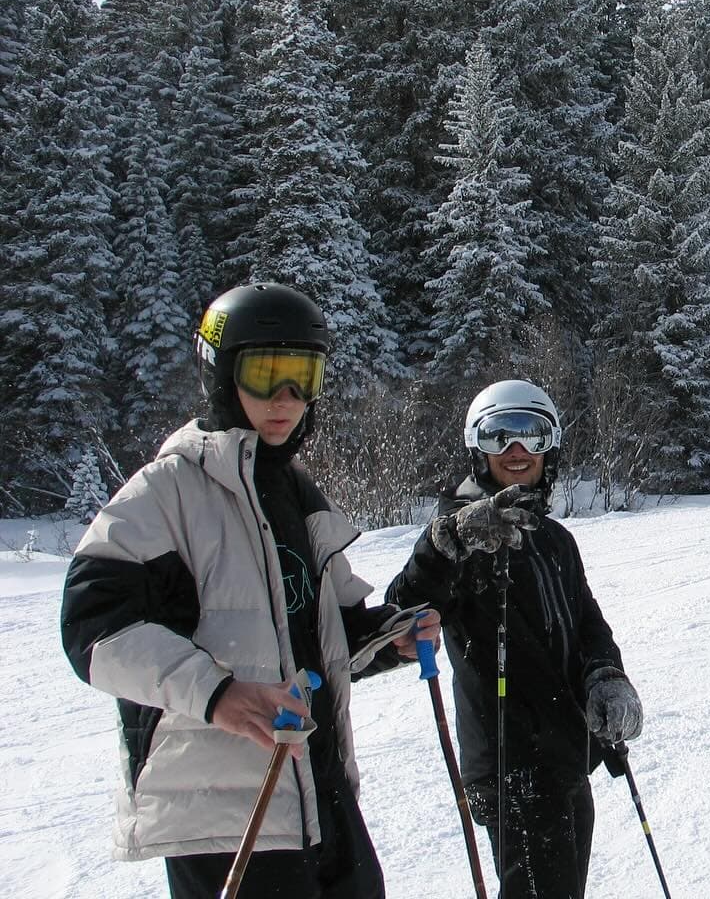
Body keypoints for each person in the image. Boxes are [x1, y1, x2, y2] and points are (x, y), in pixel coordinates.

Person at [60, 282, 440, 899]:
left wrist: (390, 637)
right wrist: (217, 694)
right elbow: (93, 631)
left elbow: (328, 640)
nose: (286, 399)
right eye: (266, 375)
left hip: (316, 788)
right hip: (225, 816)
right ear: (220, 375)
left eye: (304, 377)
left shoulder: (298, 494)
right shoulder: (168, 492)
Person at [387, 378, 642, 899]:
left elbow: (587, 622)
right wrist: (448, 542)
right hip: (511, 771)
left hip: (567, 756)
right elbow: (403, 608)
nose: (517, 450)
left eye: (532, 434)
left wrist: (605, 676)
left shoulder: (555, 539)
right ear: (477, 449)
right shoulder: (460, 537)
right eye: (498, 436)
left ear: (552, 446)